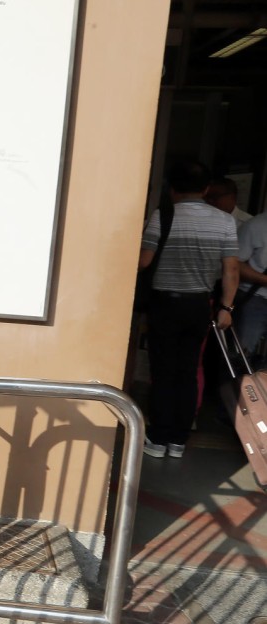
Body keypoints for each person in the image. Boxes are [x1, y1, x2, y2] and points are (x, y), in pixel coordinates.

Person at [139, 159, 238, 459]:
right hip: (200, 305)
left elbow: (143, 261)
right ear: (206, 188)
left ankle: (157, 438)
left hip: (165, 305)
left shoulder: (163, 216)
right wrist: (226, 308)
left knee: (163, 371)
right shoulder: (225, 221)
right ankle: (179, 441)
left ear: (171, 188)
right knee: (187, 370)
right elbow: (231, 270)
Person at [234, 210, 267, 366]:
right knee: (242, 356)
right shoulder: (256, 225)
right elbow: (235, 264)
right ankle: (237, 390)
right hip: (255, 298)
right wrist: (264, 279)